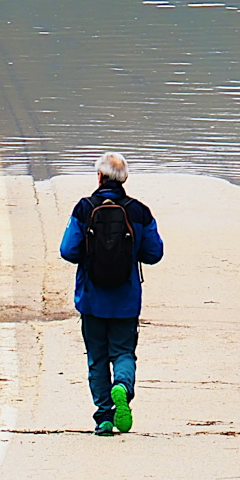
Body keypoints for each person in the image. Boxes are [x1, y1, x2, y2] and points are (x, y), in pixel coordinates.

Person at [59, 152, 164, 436]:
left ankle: (104, 419)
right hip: (126, 300)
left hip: (91, 298)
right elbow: (154, 253)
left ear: (99, 177)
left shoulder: (84, 208)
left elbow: (68, 251)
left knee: (96, 359)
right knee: (123, 353)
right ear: (125, 178)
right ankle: (123, 386)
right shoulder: (139, 211)